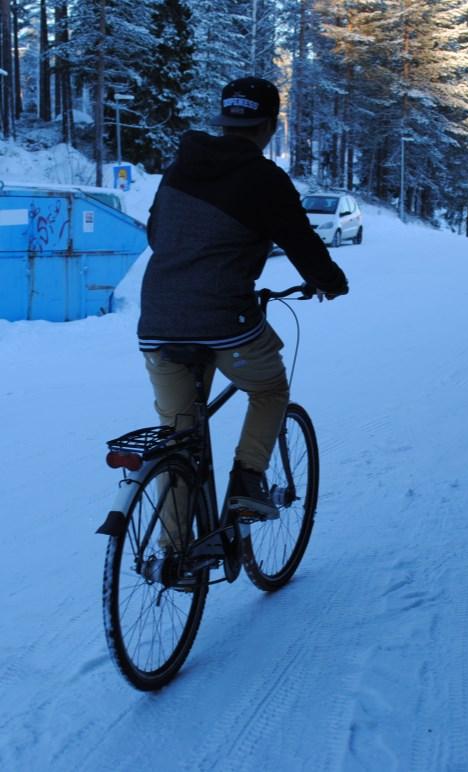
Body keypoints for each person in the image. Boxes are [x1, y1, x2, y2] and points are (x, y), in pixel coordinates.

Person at [137, 76, 348, 525]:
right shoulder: (263, 178)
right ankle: (247, 483)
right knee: (269, 389)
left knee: (178, 435)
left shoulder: (179, 168)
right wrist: (329, 281)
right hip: (224, 319)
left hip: (157, 320)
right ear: (269, 125)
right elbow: (300, 241)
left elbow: (156, 234)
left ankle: (174, 556)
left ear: (223, 119)